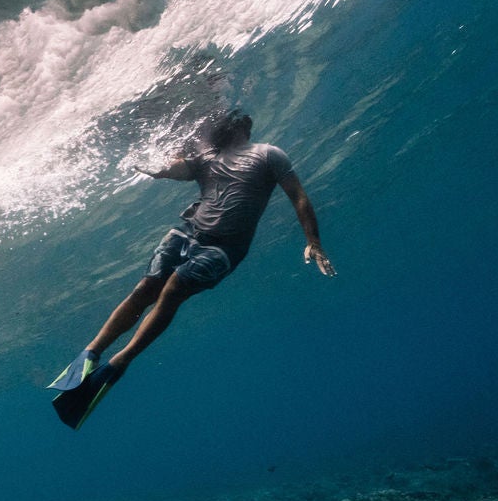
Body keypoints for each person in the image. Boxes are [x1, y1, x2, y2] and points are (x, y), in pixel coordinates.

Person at [81, 108, 334, 385]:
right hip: (188, 231)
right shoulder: (207, 156)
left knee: (173, 290)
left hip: (225, 248)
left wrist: (314, 242)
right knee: (146, 288)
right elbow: (176, 170)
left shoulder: (268, 154)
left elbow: (298, 196)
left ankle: (120, 360)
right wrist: (158, 169)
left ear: (242, 129)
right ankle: (91, 352)